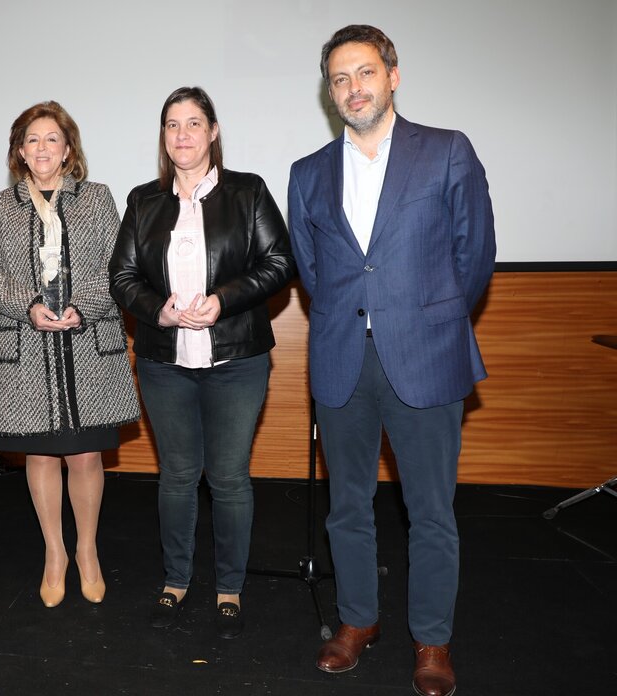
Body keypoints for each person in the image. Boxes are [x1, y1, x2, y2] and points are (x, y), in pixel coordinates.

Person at [287, 25, 496, 696]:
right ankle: (357, 621)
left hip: (427, 357)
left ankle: (432, 639)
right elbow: (313, 272)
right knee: (346, 506)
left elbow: (474, 256)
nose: (353, 87)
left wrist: (426, 320)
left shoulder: (446, 151)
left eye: (365, 72)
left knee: (430, 511)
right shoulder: (307, 172)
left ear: (393, 76)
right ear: (330, 92)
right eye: (340, 78)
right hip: (341, 358)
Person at [109, 86, 296, 639]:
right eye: (172, 125)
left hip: (237, 358)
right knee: (177, 476)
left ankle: (230, 587)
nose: (182, 134)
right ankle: (176, 579)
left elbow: (280, 262)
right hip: (164, 361)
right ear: (163, 136)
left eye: (193, 123)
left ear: (213, 132)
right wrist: (158, 311)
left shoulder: (248, 191)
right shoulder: (143, 200)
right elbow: (122, 276)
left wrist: (223, 300)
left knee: (230, 477)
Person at [0, 101, 139, 608]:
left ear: (68, 150)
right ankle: (54, 552)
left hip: (88, 346)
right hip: (27, 348)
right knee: (40, 454)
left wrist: (80, 306)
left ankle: (87, 550)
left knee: (86, 454)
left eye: (52, 139)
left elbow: (118, 264)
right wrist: (28, 306)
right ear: (19, 152)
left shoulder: (97, 198)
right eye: (32, 140)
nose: (42, 148)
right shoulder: (0, 206)